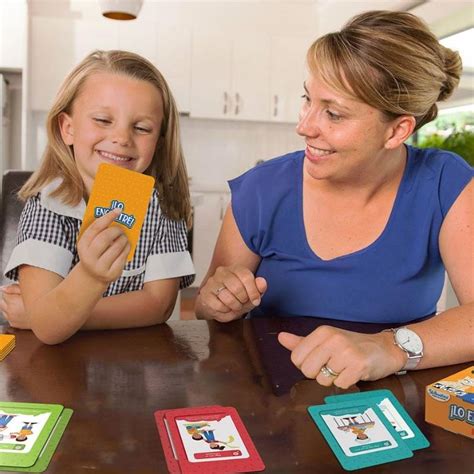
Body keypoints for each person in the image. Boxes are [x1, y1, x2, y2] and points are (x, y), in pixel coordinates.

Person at [195, 11, 473, 388]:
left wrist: (388, 348)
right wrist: (219, 301)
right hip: (276, 399)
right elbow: (207, 308)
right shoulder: (263, 188)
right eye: (307, 99)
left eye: (333, 113)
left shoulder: (446, 183)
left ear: (397, 130)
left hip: (392, 396)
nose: (304, 126)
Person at [1, 50, 195, 344]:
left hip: (135, 365)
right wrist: (90, 275)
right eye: (103, 120)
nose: (122, 138)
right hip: (58, 372)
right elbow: (50, 329)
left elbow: (159, 305)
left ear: (159, 140)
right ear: (67, 128)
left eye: (141, 128)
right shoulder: (47, 205)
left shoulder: (162, 207)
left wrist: (55, 315)